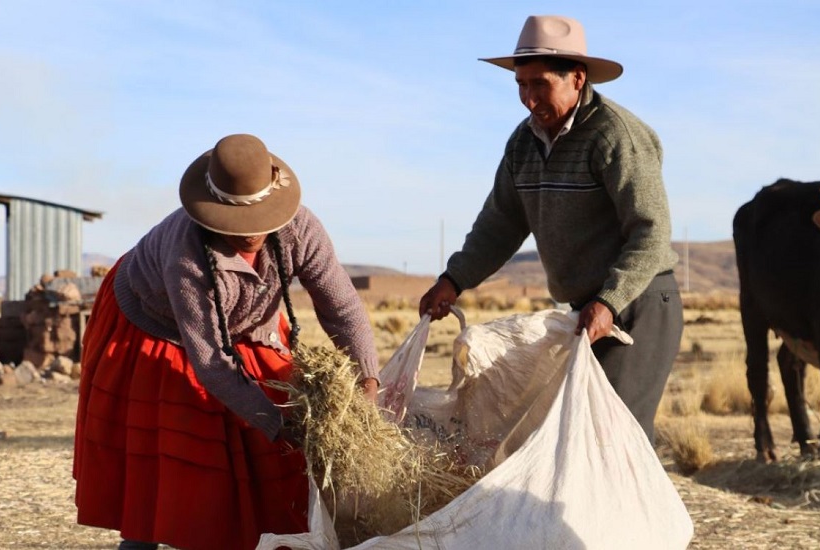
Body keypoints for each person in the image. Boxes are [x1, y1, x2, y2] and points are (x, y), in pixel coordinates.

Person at [73, 133, 380, 550]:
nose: (250, 233)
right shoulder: (187, 253)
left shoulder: (301, 228)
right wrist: (277, 423)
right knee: (175, 465)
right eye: (238, 223)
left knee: (272, 460)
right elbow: (213, 362)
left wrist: (367, 383)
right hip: (154, 326)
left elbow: (342, 308)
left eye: (260, 220)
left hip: (248, 327)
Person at [419, 15, 683, 443]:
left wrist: (610, 300)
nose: (527, 98)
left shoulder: (614, 136)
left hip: (639, 303)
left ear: (577, 79)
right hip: (585, 310)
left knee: (615, 436)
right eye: (521, 85)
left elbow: (651, 232)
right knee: (570, 435)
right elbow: (500, 223)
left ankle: (624, 513)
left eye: (539, 84)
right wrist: (454, 279)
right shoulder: (523, 143)